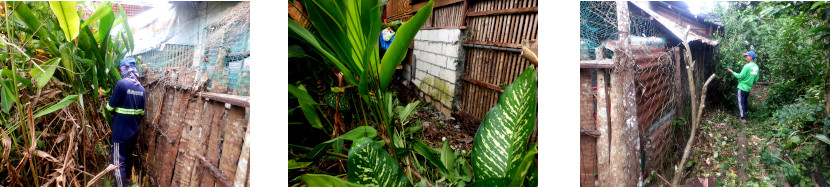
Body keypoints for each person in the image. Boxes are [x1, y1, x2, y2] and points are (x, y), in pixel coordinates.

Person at [105, 57, 145, 186]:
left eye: (120, 69)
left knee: (117, 161)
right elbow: (141, 113)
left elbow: (110, 107)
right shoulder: (142, 90)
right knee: (128, 156)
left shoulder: (121, 84)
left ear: (124, 68)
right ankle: (128, 179)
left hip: (120, 133)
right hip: (133, 131)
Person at [727, 51, 759, 124]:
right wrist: (749, 81)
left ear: (750, 57)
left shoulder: (747, 66)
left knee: (740, 103)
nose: (745, 58)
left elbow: (739, 76)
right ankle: (746, 113)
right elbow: (756, 79)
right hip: (748, 88)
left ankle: (743, 118)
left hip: (741, 87)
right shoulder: (756, 67)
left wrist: (732, 72)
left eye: (746, 56)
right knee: (745, 101)